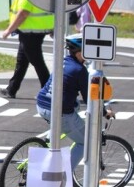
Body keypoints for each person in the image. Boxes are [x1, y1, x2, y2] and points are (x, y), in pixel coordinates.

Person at [35, 35, 92, 170]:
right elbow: (89, 98)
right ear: (79, 53)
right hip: (59, 112)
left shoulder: (63, 62)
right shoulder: (80, 70)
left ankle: (50, 137)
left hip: (42, 104)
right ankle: (64, 176)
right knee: (86, 142)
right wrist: (104, 111)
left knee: (75, 105)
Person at [0, 0, 54, 99]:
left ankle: (49, 91)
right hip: (30, 31)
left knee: (37, 62)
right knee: (22, 61)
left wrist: (8, 30)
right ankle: (11, 89)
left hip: (31, 32)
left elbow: (23, 13)